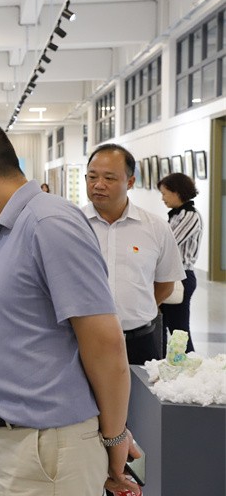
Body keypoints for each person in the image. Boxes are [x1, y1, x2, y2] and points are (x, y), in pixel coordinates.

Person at [0, 117, 137, 496]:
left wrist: (114, 437)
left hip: (47, 452)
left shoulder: (49, 222)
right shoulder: (9, 227)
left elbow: (105, 345)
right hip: (9, 443)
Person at [83, 144, 185, 364]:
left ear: (130, 182)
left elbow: (166, 284)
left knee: (141, 388)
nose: (98, 185)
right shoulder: (72, 225)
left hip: (139, 342)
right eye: (92, 177)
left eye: (109, 178)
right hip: (82, 341)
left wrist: (137, 310)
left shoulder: (156, 227)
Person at [158, 172, 203, 352]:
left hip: (181, 278)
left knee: (179, 331)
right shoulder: (177, 215)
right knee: (162, 326)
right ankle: (160, 363)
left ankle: (189, 365)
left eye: (164, 193)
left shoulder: (189, 216)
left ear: (176, 192)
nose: (162, 198)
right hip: (171, 276)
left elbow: (169, 244)